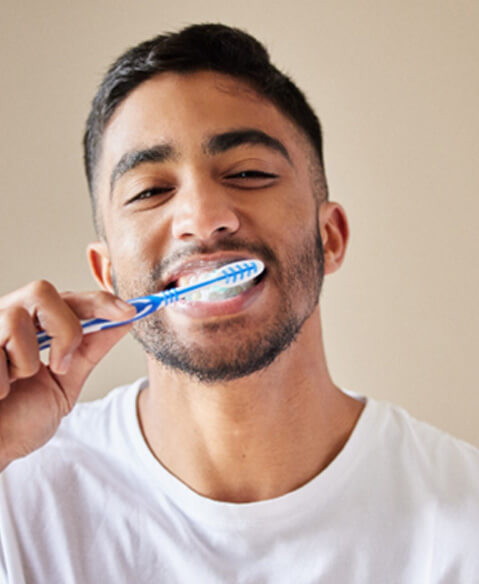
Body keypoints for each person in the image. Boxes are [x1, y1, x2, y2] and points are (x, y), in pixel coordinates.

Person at [0, 23, 477, 584]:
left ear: (331, 238)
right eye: (150, 190)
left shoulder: (463, 523)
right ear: (107, 273)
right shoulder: (17, 498)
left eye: (248, 173)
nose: (202, 218)